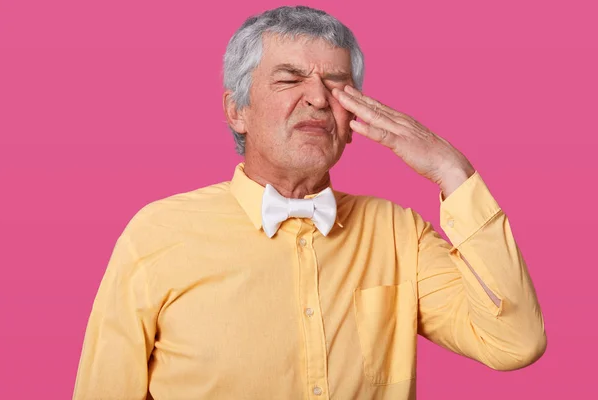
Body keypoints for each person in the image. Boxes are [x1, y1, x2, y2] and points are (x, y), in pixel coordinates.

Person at [73, 5, 546, 400]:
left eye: (338, 85)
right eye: (289, 79)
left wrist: (452, 171)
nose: (318, 98)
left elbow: (514, 342)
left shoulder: (400, 233)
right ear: (238, 109)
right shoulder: (157, 235)